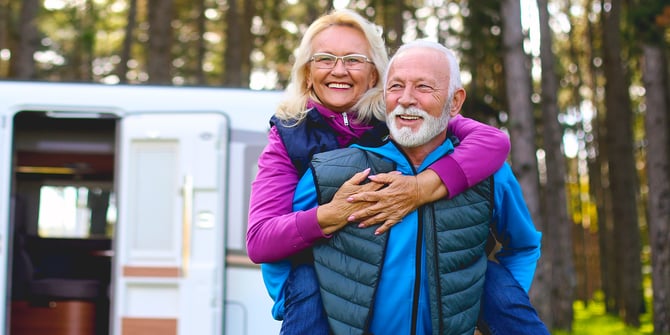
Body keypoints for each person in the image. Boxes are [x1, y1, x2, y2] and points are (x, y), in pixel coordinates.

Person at [246, 9, 511, 335]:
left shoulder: (397, 118)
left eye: (354, 59)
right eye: (325, 59)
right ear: (307, 73)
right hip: (313, 277)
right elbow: (260, 241)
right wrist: (332, 214)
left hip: (378, 279)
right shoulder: (288, 135)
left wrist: (422, 187)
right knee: (309, 288)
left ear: (375, 76)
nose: (339, 70)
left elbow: (492, 141)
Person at [292, 40, 550, 334]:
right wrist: (290, 307)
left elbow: (524, 245)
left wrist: (492, 315)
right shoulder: (330, 171)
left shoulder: (491, 175)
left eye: (423, 87)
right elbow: (283, 247)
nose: (406, 99)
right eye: (396, 86)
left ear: (455, 102)